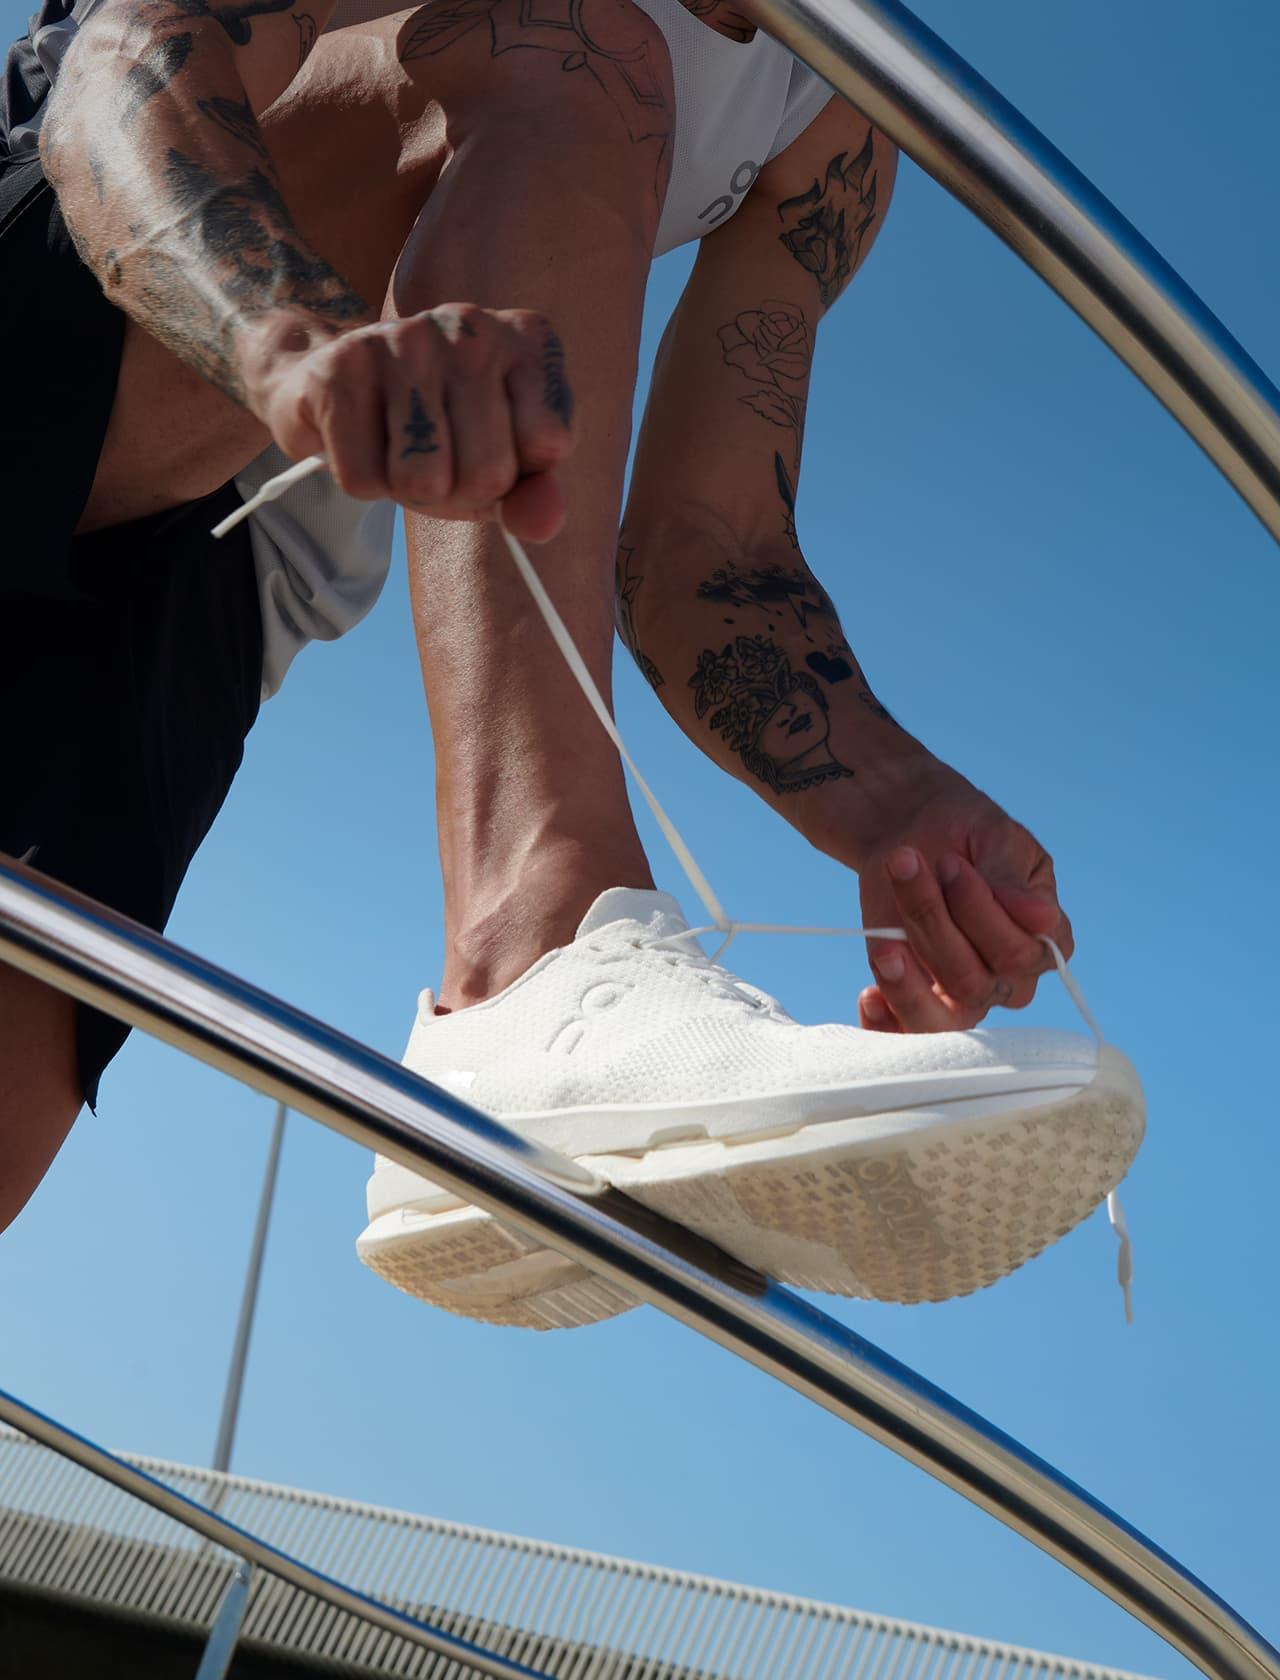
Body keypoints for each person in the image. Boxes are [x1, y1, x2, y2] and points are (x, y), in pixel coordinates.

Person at [0, 0, 1144, 1323]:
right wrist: (288, 334)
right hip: (91, 289)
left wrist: (897, 803)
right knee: (572, 36)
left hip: (218, 571)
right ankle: (528, 946)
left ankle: (537, 1002)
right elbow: (134, 48)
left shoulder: (837, 112)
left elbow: (711, 552)